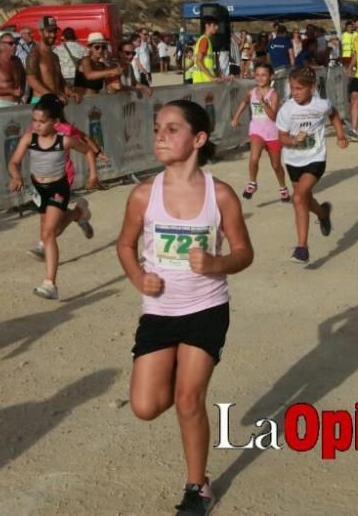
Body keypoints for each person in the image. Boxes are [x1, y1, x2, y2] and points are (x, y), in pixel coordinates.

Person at [116, 100, 253, 516]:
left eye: (172, 129)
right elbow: (124, 245)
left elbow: (244, 252)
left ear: (198, 139)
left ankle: (198, 487)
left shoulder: (221, 194)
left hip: (206, 307)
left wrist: (216, 264)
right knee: (145, 406)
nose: (160, 135)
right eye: (158, 127)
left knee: (189, 400)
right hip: (159, 311)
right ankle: (175, 371)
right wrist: (139, 277)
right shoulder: (143, 195)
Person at [7, 95, 93, 301]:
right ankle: (77, 213)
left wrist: (94, 174)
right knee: (50, 232)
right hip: (39, 189)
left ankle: (50, 284)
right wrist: (17, 176)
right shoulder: (29, 139)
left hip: (58, 188)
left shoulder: (64, 141)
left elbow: (87, 150)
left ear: (55, 122)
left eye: (41, 121)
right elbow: (13, 162)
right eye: (34, 120)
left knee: (48, 234)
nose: (36, 125)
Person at [276, 67, 348, 263]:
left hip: (316, 158)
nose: (295, 92)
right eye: (292, 88)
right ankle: (323, 213)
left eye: (299, 88)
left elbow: (332, 114)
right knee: (304, 199)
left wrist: (340, 134)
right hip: (292, 160)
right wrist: (293, 141)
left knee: (298, 197)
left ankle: (302, 248)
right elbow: (281, 137)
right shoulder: (287, 109)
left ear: (312, 87)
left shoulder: (321, 105)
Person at [230, 62, 290, 203]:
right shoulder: (252, 92)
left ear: (270, 76)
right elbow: (244, 102)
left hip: (272, 133)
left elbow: (273, 116)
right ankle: (252, 183)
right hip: (256, 130)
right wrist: (236, 117)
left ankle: (283, 187)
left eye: (263, 75)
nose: (260, 78)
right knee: (254, 158)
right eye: (257, 75)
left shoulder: (273, 94)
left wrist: (264, 104)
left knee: (276, 165)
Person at [26, 17, 69, 103]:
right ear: (40, 32)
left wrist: (70, 92)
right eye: (49, 31)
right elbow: (31, 80)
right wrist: (51, 95)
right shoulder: (34, 54)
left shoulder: (54, 56)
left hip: (55, 100)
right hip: (41, 101)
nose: (53, 35)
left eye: (54, 31)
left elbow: (60, 80)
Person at [73, 32, 122, 100]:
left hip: (95, 102)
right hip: (82, 102)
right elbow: (89, 75)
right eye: (97, 47)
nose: (100, 50)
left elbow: (109, 85)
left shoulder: (102, 65)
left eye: (103, 47)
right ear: (90, 48)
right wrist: (110, 71)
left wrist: (113, 85)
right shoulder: (85, 60)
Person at [0, 35, 25, 105]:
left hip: (17, 103)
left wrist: (22, 91)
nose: (14, 46)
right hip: (2, 105)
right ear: (1, 46)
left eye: (16, 43)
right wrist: (11, 91)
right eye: (11, 43)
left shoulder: (17, 61)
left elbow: (23, 78)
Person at [189, 17, 220, 84]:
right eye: (214, 25)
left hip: (202, 81)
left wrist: (216, 76)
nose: (217, 27)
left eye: (217, 25)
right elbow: (198, 61)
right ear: (207, 25)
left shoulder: (205, 40)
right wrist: (212, 77)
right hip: (203, 82)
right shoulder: (204, 40)